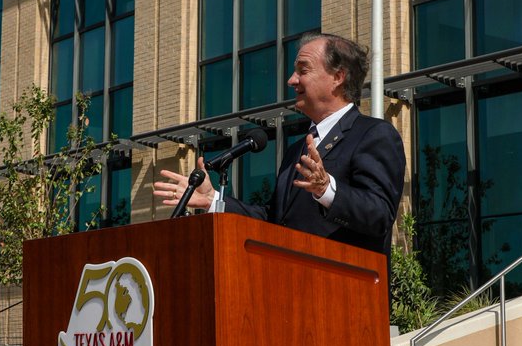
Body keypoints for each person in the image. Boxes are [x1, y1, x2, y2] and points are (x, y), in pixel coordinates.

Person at [154, 32, 406, 262]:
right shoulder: (295, 150)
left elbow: (379, 215)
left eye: (302, 70)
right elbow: (273, 221)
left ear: (337, 77)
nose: (291, 80)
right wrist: (213, 201)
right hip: (288, 292)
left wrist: (327, 189)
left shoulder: (374, 134)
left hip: (345, 296)